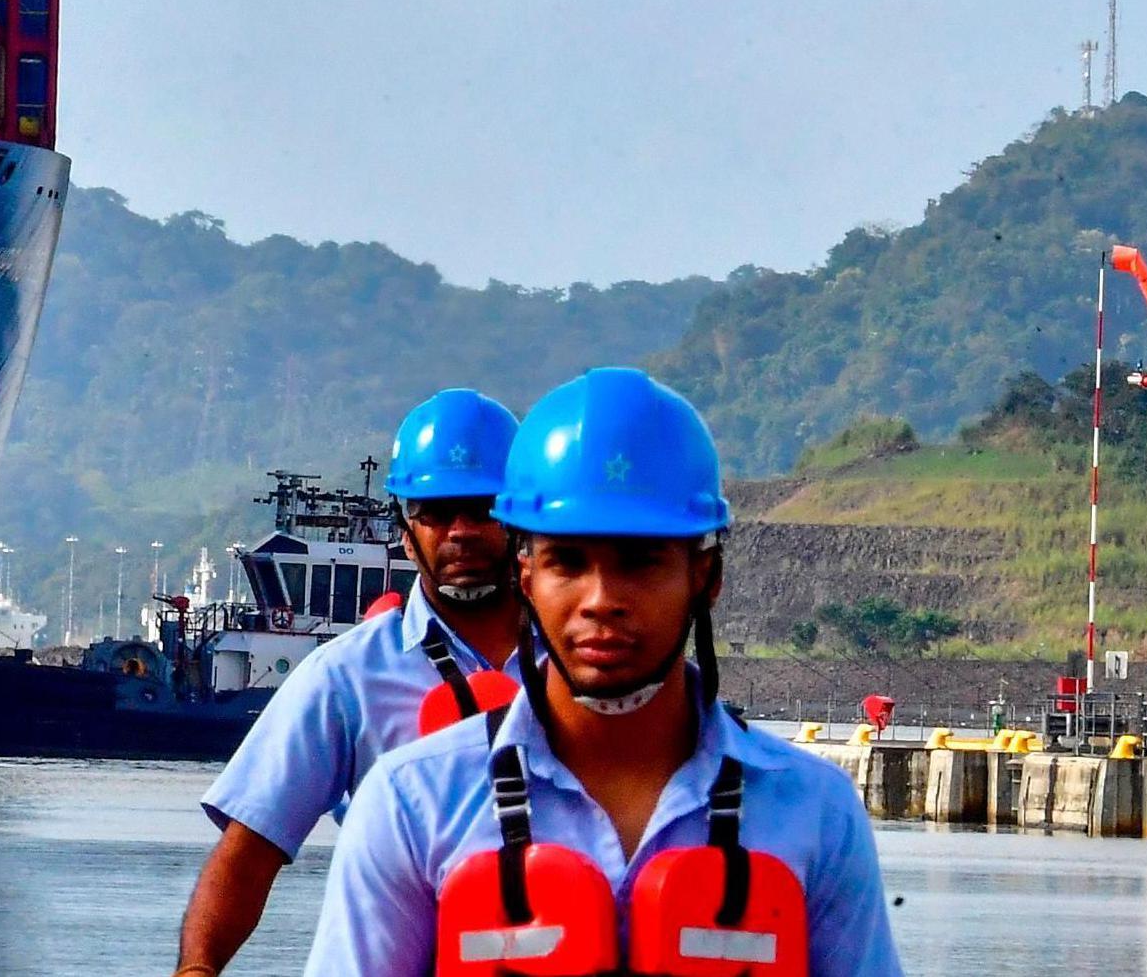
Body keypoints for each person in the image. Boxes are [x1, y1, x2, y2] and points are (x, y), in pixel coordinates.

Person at [305, 368, 903, 977]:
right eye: (567, 561)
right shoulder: (414, 805)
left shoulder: (815, 813)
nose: (601, 599)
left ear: (707, 578)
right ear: (526, 576)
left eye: (640, 562)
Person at [175, 390, 526, 977]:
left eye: (482, 507)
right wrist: (197, 970)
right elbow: (247, 853)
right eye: (435, 511)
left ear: (522, 513)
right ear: (405, 528)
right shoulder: (345, 678)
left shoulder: (580, 662)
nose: (460, 530)